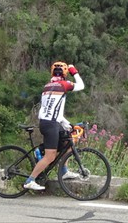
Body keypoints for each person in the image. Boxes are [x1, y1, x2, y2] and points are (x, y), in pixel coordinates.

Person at [23, 61, 84, 191]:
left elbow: (54, 110)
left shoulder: (47, 86)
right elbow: (81, 85)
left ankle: (64, 171)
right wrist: (75, 71)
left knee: (69, 139)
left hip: (49, 122)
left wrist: (67, 124)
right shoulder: (63, 84)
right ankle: (30, 180)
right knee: (50, 156)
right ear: (65, 73)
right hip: (50, 124)